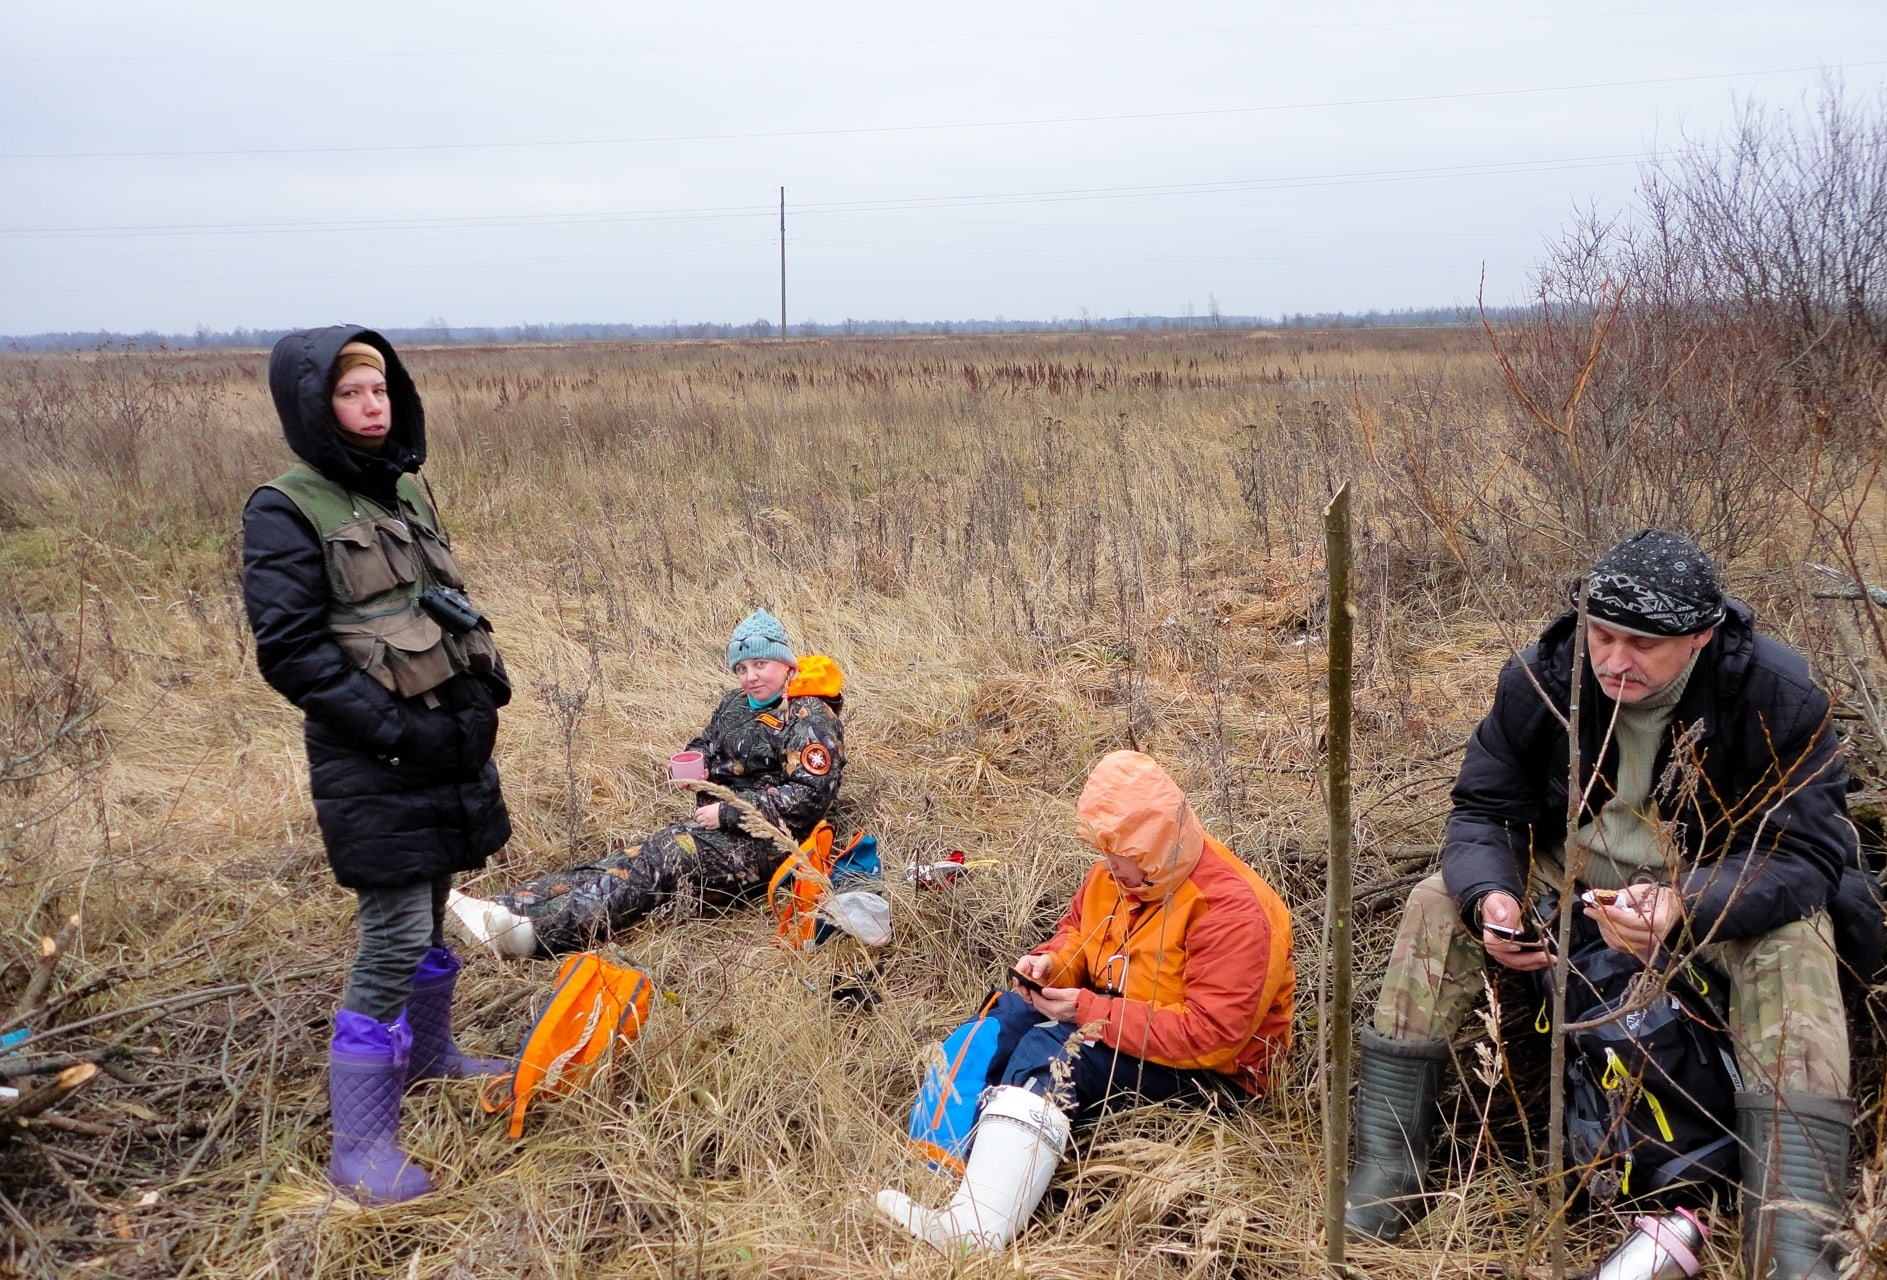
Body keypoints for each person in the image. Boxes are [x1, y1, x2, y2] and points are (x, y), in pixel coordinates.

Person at [1344, 529, 1881, 1280]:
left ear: (1699, 637)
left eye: (1641, 644)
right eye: (1602, 634)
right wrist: (1491, 895)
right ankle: (1389, 1172)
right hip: (1571, 880)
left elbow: (1804, 856)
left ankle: (1790, 1237)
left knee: (1794, 948)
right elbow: (1483, 810)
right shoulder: (1543, 677)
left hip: (1705, 885)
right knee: (1439, 901)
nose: (1613, 660)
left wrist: (1682, 904)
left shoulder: (1775, 693)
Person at [242, 327, 513, 1206]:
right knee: (393, 932)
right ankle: (359, 1145)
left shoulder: (401, 487)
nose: (371, 407)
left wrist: (479, 693)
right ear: (314, 407)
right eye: (352, 395)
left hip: (440, 738)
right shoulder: (284, 508)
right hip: (373, 755)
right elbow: (291, 653)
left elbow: (437, 602)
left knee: (433, 900)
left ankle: (431, 1057)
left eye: (381, 392)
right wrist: (394, 730)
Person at [876, 750, 1295, 1254]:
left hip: (1215, 1082)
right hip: (1125, 1021)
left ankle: (976, 1231)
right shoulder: (1119, 873)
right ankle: (942, 1163)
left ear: (1157, 850)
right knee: (1004, 1019)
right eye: (1105, 851)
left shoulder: (1232, 910)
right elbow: (1079, 933)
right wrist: (1051, 963)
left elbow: (1212, 1038)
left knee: (1054, 1051)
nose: (1108, 866)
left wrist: (1087, 1012)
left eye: (1121, 857)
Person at [447, 609, 845, 957]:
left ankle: (533, 935)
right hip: (713, 825)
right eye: (741, 668)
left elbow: (810, 796)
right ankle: (502, 909)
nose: (750, 677)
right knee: (625, 860)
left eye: (760, 664)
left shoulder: (810, 717)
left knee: (662, 860)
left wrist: (726, 811)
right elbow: (705, 741)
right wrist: (698, 763)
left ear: (787, 665)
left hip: (772, 845)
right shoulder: (735, 704)